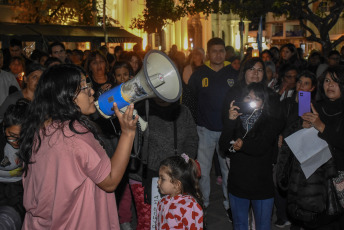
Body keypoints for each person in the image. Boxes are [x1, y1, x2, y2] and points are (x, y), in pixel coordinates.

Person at [19, 64, 138, 229]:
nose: (92, 92)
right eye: (83, 88)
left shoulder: (38, 128)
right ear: (65, 95)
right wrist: (127, 133)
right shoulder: (75, 134)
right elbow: (110, 180)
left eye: (89, 86)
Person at [278, 66, 344, 229]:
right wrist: (302, 125)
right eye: (327, 80)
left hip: (338, 179)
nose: (330, 85)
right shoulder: (314, 105)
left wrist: (322, 127)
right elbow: (294, 134)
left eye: (336, 82)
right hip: (312, 181)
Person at [219, 82, 284, 230]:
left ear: (263, 103)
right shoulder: (235, 119)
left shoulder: (271, 121)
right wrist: (230, 121)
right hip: (238, 183)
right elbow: (223, 147)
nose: (250, 101)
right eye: (248, 97)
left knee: (263, 226)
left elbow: (261, 146)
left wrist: (243, 145)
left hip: (262, 185)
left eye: (257, 98)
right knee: (240, 225)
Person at [129, 97, 199, 230]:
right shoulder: (142, 109)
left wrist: (183, 163)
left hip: (176, 178)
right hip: (145, 177)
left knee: (174, 221)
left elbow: (192, 139)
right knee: (148, 222)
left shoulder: (183, 111)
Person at [188, 37, 238, 220]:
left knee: (228, 170)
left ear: (225, 53)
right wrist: (193, 124)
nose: (218, 54)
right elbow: (189, 100)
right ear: (208, 53)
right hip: (204, 130)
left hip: (227, 130)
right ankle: (204, 203)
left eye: (221, 51)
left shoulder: (233, 74)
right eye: (214, 51)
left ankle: (229, 204)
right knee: (203, 170)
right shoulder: (199, 74)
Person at [275, 71, 317, 229]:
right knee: (282, 182)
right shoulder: (287, 103)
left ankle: (299, 219)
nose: (301, 86)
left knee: (300, 186)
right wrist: (279, 134)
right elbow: (278, 124)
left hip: (304, 152)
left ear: (312, 88)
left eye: (306, 84)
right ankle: (283, 215)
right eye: (300, 82)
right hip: (286, 150)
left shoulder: (314, 106)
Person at [0, 99, 29, 230]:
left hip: (18, 187)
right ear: (4, 126)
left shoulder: (32, 139)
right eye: (12, 136)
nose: (17, 142)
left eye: (21, 137)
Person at [155, 154, 203, 229]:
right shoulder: (162, 202)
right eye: (159, 177)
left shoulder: (189, 206)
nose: (158, 181)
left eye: (163, 179)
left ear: (177, 184)